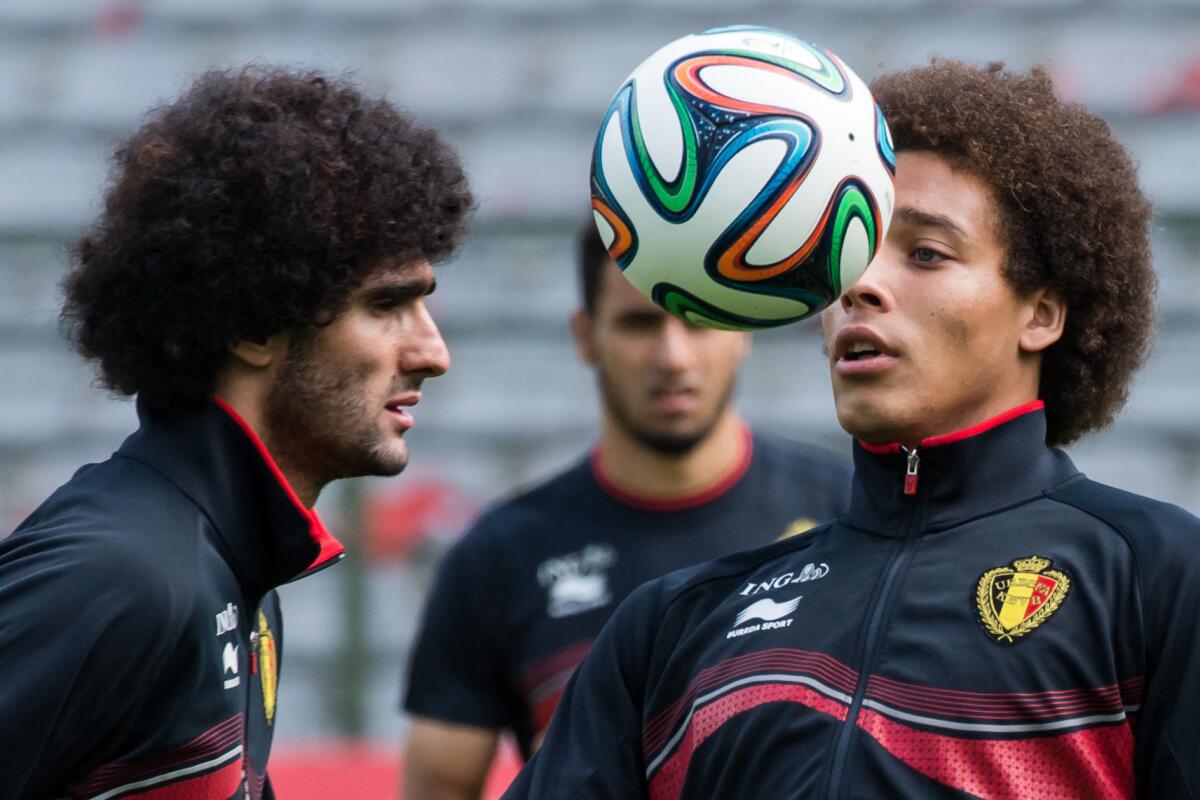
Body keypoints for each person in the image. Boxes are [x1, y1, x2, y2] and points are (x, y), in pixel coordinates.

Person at [505, 60, 1199, 799]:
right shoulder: (672, 626)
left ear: (1042, 314)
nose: (861, 284)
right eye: (850, 250)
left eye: (927, 253)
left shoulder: (1156, 575)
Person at [0, 67, 472, 799]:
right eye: (386, 305)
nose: (433, 353)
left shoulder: (234, 573)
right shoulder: (123, 578)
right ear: (256, 324)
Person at [401, 222, 853, 799]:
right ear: (585, 336)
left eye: (700, 318)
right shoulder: (500, 555)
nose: (672, 355)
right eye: (640, 322)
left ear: (743, 327)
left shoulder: (846, 511)